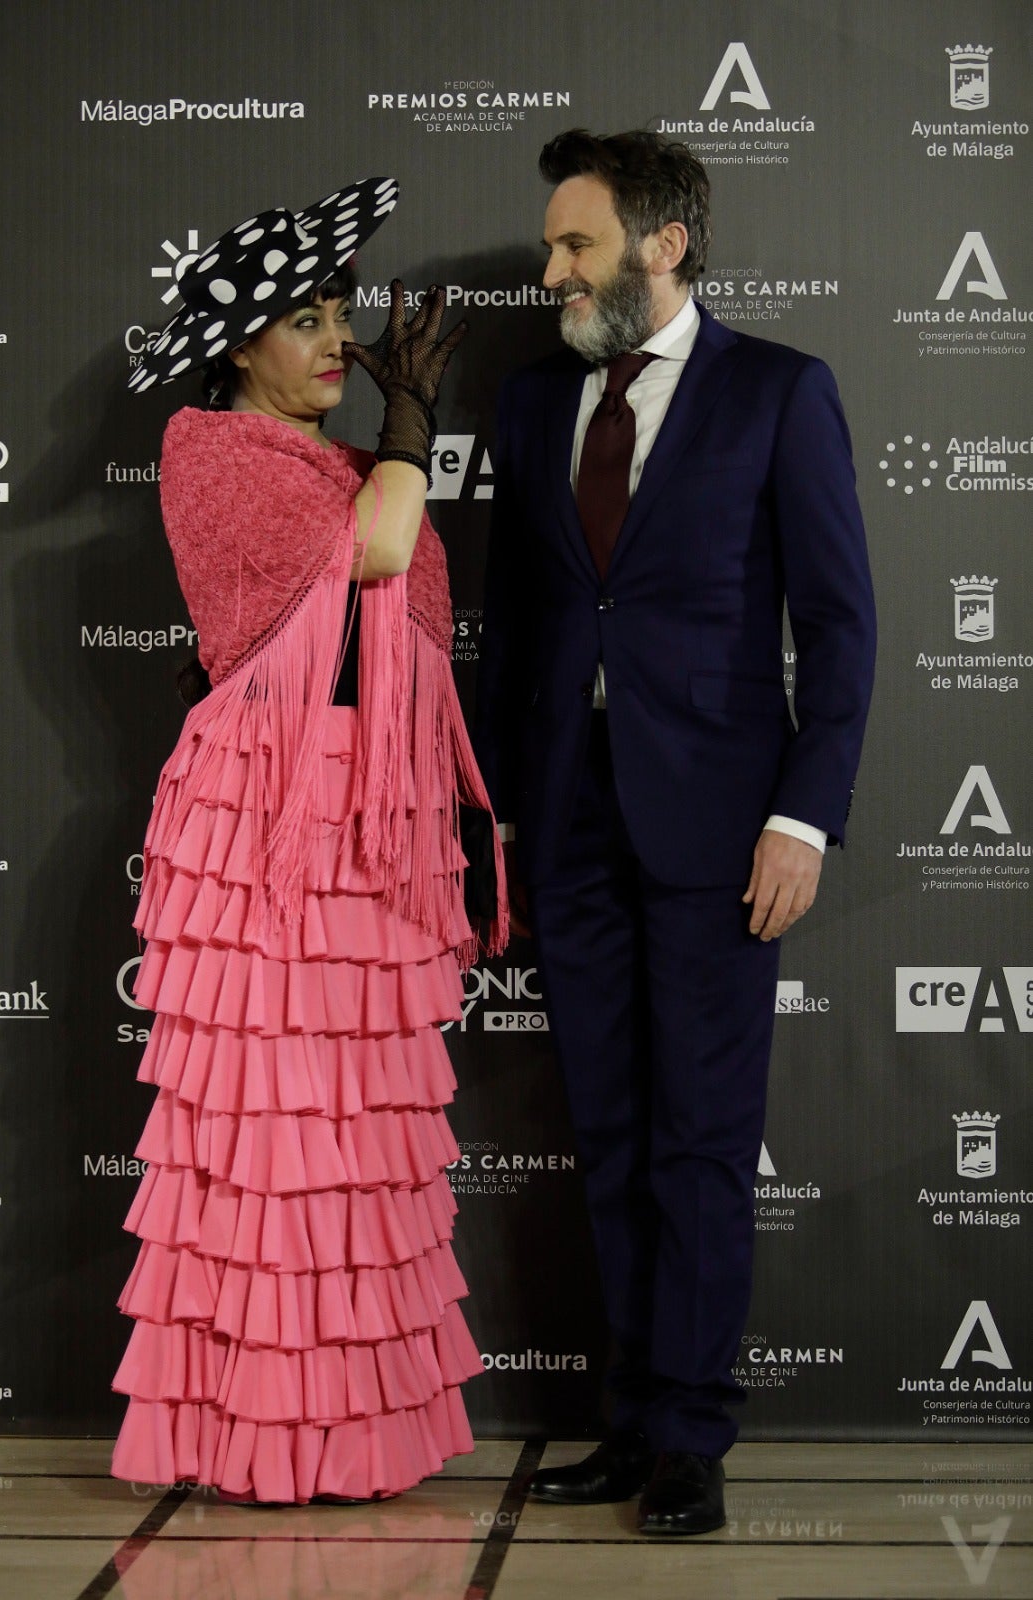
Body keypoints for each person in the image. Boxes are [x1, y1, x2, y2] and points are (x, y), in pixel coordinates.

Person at [475, 130, 875, 1536]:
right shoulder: (532, 407)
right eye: (548, 245)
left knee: (702, 1138)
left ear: (665, 243)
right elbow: (514, 631)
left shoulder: (778, 392)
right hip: (568, 821)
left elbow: (835, 626)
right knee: (612, 1131)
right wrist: (505, 822)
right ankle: (631, 1418)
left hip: (721, 826)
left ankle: (692, 1438)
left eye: (574, 244)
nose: (550, 271)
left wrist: (801, 817)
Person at [110, 178, 506, 1505]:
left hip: (369, 823)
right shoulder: (208, 449)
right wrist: (412, 420)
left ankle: (348, 1435)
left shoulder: (330, 461)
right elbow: (382, 554)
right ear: (237, 347)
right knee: (269, 1132)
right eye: (303, 317)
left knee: (353, 1131)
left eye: (342, 313)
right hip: (268, 829)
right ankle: (245, 1439)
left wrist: (381, 441)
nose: (335, 339)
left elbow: (350, 596)